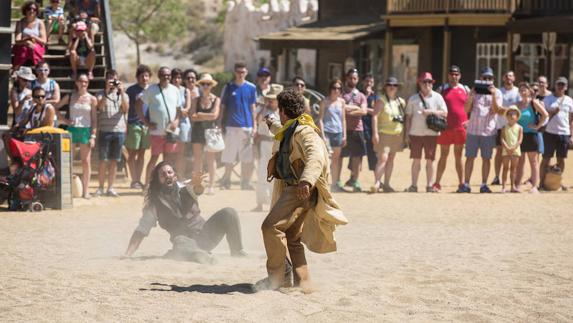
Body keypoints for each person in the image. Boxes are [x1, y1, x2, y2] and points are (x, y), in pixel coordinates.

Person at [256, 88, 347, 292]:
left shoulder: (305, 132)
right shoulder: (294, 126)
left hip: (299, 190)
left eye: (279, 110)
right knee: (292, 236)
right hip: (300, 190)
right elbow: (282, 131)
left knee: (270, 227)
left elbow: (315, 156)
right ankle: (303, 281)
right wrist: (271, 124)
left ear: (283, 111)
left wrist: (306, 180)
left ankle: (277, 278)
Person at [124, 162, 247, 263]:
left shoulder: (186, 187)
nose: (167, 175)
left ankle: (237, 251)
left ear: (175, 176)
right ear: (158, 181)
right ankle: (201, 256)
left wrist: (197, 184)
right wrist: (127, 255)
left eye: (169, 172)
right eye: (162, 174)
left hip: (206, 235)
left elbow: (197, 189)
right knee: (180, 241)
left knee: (229, 213)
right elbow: (141, 230)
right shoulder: (154, 205)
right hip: (184, 242)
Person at [460, 67, 502, 193]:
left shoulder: (498, 92)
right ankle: (466, 184)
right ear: (480, 79)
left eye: (490, 78)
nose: (487, 81)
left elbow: (496, 110)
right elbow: (466, 110)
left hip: (488, 131)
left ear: (493, 79)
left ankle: (484, 184)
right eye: (485, 78)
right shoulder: (474, 91)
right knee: (470, 157)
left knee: (486, 158)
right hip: (473, 130)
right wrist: (471, 97)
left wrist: (493, 95)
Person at [56, 73, 97, 199]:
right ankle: (67, 189)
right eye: (81, 81)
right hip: (72, 130)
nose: (83, 84)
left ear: (88, 83)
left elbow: (95, 119)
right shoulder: (70, 96)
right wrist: (64, 120)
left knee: (86, 161)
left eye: (85, 81)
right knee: (69, 160)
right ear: (76, 82)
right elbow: (55, 107)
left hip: (85, 130)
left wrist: (93, 136)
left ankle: (86, 191)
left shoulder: (92, 99)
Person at [404, 72, 448, 193]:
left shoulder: (438, 97)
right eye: (424, 82)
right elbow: (408, 117)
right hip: (415, 133)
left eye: (429, 82)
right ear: (419, 84)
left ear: (432, 84)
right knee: (416, 160)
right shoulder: (413, 98)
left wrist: (431, 112)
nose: (427, 84)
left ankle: (429, 185)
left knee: (430, 160)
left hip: (431, 134)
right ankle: (413, 185)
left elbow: (445, 113)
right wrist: (407, 134)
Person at [138, 66, 182, 186]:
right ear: (159, 76)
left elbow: (179, 109)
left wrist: (176, 121)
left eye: (168, 75)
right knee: (154, 158)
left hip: (171, 131)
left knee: (169, 159)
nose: (166, 77)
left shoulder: (175, 90)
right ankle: (147, 185)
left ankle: (168, 185)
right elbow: (139, 105)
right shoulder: (152, 90)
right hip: (156, 131)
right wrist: (146, 122)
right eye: (163, 75)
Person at [219, 62, 257, 190]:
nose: (240, 74)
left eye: (243, 72)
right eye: (238, 72)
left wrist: (255, 126)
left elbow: (253, 108)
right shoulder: (228, 87)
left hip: (246, 126)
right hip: (231, 126)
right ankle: (227, 181)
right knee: (229, 156)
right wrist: (219, 124)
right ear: (234, 72)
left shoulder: (251, 88)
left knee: (246, 157)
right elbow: (222, 107)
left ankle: (245, 182)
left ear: (246, 73)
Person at [434, 65, 469, 192]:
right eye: (451, 74)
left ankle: (461, 183)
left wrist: (469, 120)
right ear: (448, 75)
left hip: (461, 127)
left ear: (459, 76)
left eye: (456, 74)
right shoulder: (442, 88)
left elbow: (472, 105)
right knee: (443, 155)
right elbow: (434, 103)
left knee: (458, 156)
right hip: (445, 128)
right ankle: (437, 183)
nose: (454, 76)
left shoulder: (465, 89)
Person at [94, 69, 128, 197]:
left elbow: (125, 109)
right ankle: (101, 187)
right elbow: (99, 107)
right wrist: (107, 91)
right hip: (105, 131)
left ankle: (110, 188)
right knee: (103, 161)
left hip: (119, 131)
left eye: (115, 79)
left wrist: (122, 92)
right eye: (110, 79)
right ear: (106, 80)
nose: (113, 82)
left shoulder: (123, 95)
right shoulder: (100, 93)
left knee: (114, 161)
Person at [371, 76, 406, 193]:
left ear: (397, 88)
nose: (392, 87)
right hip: (384, 133)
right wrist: (375, 133)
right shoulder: (381, 100)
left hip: (396, 133)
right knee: (383, 158)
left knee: (391, 158)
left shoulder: (401, 101)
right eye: (389, 85)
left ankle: (386, 184)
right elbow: (374, 116)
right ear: (385, 87)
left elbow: (403, 118)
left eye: (394, 85)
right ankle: (377, 183)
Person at [253, 83, 282, 212]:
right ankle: (260, 203)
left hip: (276, 144)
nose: (270, 101)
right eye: (269, 98)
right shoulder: (263, 110)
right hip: (264, 143)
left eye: (273, 99)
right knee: (262, 173)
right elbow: (257, 119)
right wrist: (263, 107)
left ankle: (274, 203)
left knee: (275, 174)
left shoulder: (282, 112)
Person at [540, 77, 573, 190]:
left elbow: (571, 119)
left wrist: (571, 135)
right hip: (550, 133)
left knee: (561, 159)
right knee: (546, 159)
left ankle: (557, 182)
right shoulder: (547, 99)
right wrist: (552, 112)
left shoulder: (569, 100)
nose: (561, 87)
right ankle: (541, 183)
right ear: (555, 85)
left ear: (566, 87)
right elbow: (542, 115)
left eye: (563, 85)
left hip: (564, 133)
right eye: (559, 84)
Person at [190, 74, 220, 195]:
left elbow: (215, 116)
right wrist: (207, 116)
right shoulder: (195, 99)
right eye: (203, 84)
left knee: (210, 159)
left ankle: (211, 185)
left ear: (211, 85)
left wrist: (200, 115)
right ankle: (198, 184)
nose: (206, 86)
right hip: (198, 131)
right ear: (200, 85)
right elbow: (192, 117)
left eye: (208, 84)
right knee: (198, 158)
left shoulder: (216, 99)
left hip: (210, 132)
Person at [515, 82, 547, 193]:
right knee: (520, 161)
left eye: (525, 90)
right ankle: (517, 185)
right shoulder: (517, 104)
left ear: (529, 91)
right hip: (520, 135)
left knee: (533, 162)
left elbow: (545, 114)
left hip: (532, 135)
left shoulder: (533, 103)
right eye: (521, 90)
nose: (523, 92)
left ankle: (534, 186)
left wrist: (537, 126)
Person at [492, 71, 521, 186]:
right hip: (501, 126)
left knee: (515, 153)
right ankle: (496, 177)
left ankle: (513, 180)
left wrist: (505, 110)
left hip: (515, 128)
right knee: (499, 151)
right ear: (503, 78)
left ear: (514, 78)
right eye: (506, 76)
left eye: (511, 76)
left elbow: (519, 108)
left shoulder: (518, 91)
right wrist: (511, 110)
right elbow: (497, 109)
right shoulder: (499, 91)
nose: (508, 78)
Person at [341, 68, 367, 192]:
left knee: (357, 157)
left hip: (358, 129)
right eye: (350, 77)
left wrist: (347, 110)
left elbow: (364, 111)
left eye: (355, 78)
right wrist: (355, 108)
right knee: (340, 156)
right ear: (346, 78)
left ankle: (355, 180)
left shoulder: (361, 95)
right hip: (343, 129)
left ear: (358, 79)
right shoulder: (341, 93)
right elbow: (340, 107)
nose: (352, 80)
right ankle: (337, 180)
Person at [125, 65, 151, 190]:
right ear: (137, 77)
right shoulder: (131, 90)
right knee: (132, 154)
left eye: (146, 75)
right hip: (133, 123)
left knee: (142, 153)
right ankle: (134, 179)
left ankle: (138, 179)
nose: (144, 78)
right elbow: (125, 108)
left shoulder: (153, 90)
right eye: (142, 76)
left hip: (147, 126)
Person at [318, 79, 346, 192]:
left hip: (338, 132)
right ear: (330, 89)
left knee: (336, 160)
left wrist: (344, 135)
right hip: (327, 132)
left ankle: (334, 183)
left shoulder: (342, 102)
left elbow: (343, 119)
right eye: (334, 88)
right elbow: (320, 119)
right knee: (326, 159)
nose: (336, 90)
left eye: (338, 88)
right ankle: (324, 182)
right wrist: (323, 135)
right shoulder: (324, 102)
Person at [12, 1, 47, 71]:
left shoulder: (40, 23)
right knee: (25, 49)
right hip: (22, 45)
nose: (31, 11)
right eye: (29, 9)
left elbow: (44, 41)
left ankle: (36, 68)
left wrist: (34, 37)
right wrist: (27, 41)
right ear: (25, 10)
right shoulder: (20, 22)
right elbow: (17, 40)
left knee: (32, 48)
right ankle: (17, 69)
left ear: (36, 11)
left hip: (36, 45)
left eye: (34, 9)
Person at [171, 68, 192, 177]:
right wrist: (180, 110)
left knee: (181, 152)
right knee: (170, 151)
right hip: (171, 122)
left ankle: (180, 176)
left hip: (183, 123)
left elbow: (187, 106)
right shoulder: (168, 90)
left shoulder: (185, 91)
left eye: (179, 77)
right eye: (174, 77)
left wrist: (182, 110)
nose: (176, 80)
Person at [500, 106, 523, 193]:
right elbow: (502, 138)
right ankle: (504, 187)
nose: (512, 116)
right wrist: (507, 148)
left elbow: (520, 140)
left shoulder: (520, 127)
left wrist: (513, 148)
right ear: (507, 116)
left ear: (517, 116)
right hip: (506, 150)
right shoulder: (504, 127)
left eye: (514, 114)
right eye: (510, 114)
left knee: (513, 169)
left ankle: (513, 186)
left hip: (515, 150)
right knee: (505, 168)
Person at [361, 74, 379, 181]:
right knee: (357, 155)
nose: (368, 83)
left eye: (371, 82)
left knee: (373, 155)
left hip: (371, 128)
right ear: (363, 82)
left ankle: (377, 180)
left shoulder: (376, 97)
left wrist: (364, 109)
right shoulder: (358, 94)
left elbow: (377, 112)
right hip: (358, 127)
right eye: (367, 81)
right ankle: (353, 179)